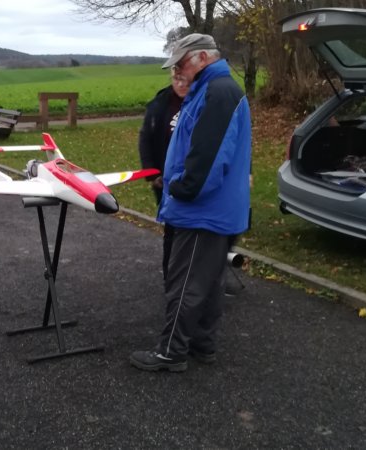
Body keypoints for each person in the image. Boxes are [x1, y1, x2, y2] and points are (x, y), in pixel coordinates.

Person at [130, 33, 252, 372]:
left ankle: (171, 352)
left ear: (201, 58)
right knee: (208, 284)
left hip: (202, 210)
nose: (178, 71)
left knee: (185, 284)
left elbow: (210, 155)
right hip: (212, 209)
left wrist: (182, 188)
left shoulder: (218, 92)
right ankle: (202, 345)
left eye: (181, 63)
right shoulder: (212, 90)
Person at [138, 72, 189, 280]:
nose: (180, 84)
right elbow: (145, 139)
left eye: (185, 80)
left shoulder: (201, 101)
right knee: (172, 229)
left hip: (191, 176)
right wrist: (152, 172)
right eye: (176, 79)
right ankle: (171, 276)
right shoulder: (160, 105)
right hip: (164, 179)